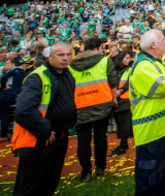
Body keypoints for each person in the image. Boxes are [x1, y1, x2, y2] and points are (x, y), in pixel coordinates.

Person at [12, 42, 76, 196]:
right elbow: (23, 110)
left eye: (68, 55)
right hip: (41, 139)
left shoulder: (68, 74)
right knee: (31, 186)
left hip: (60, 137)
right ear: (50, 56)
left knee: (49, 183)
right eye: (61, 55)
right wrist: (45, 131)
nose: (65, 59)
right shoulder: (37, 77)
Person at [129, 30, 165, 196]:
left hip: (160, 129)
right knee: (149, 178)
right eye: (163, 40)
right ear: (153, 44)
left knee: (160, 175)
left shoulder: (154, 63)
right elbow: (163, 87)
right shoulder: (143, 66)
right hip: (150, 131)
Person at [69, 35, 119, 182]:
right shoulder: (104, 60)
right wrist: (113, 99)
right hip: (102, 104)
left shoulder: (72, 64)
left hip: (80, 106)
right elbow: (113, 80)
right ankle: (100, 167)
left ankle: (86, 172)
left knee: (83, 140)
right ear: (98, 48)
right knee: (100, 138)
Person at [109, 50, 134, 157]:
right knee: (119, 124)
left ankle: (123, 145)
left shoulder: (129, 70)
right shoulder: (114, 70)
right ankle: (123, 144)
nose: (129, 60)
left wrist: (119, 92)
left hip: (125, 100)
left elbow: (129, 83)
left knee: (124, 125)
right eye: (127, 58)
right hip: (116, 100)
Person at [0, 59, 27, 140]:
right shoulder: (23, 73)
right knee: (8, 115)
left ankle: (4, 135)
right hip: (15, 95)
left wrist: (4, 86)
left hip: (7, 95)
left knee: (4, 115)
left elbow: (3, 77)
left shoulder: (15, 71)